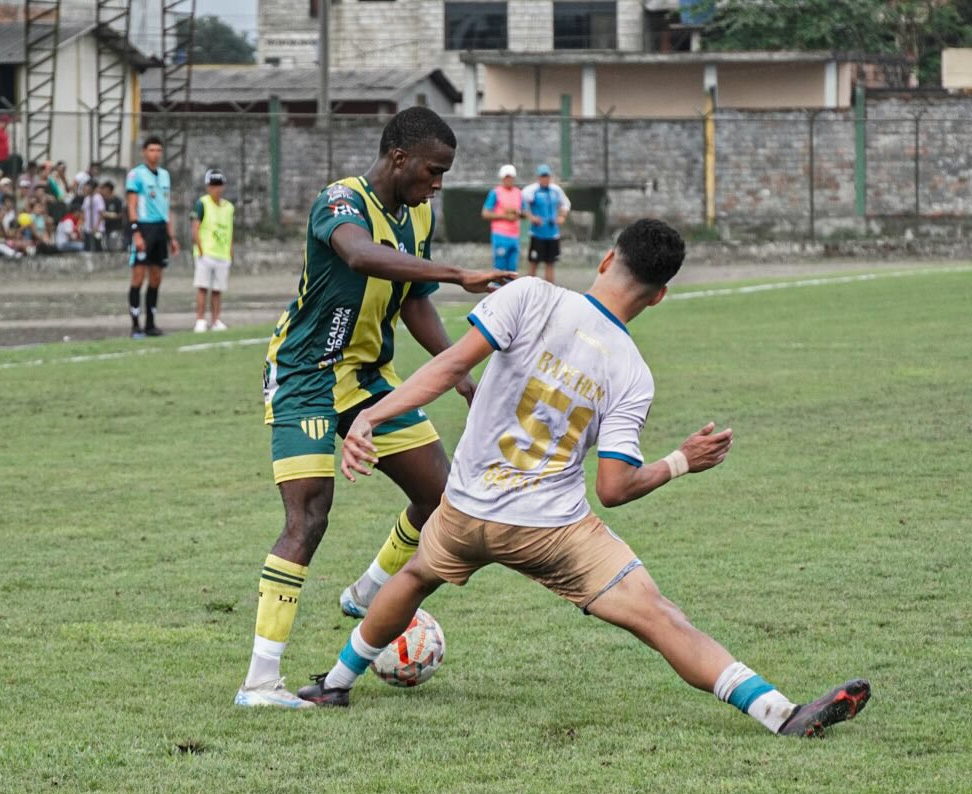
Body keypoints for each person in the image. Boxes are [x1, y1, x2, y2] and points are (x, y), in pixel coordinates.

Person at [297, 219, 872, 738]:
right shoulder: (632, 372)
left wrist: (371, 415)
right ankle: (778, 712)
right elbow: (614, 489)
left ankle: (335, 684)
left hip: (467, 510)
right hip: (552, 531)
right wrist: (680, 461)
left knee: (417, 574)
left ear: (605, 259)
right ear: (660, 296)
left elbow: (451, 367)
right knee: (659, 615)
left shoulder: (528, 295)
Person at [234, 106, 513, 709]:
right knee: (309, 517)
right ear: (398, 158)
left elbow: (414, 302)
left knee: (443, 498)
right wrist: (460, 272)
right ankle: (260, 681)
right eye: (433, 171)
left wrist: (458, 369)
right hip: (305, 374)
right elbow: (361, 257)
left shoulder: (416, 214)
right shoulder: (340, 202)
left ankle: (369, 591)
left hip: (369, 379)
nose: (437, 183)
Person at [125, 135, 177, 338]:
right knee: (138, 276)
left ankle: (150, 323)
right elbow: (131, 205)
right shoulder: (136, 175)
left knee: (156, 277)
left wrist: (171, 236)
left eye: (158, 150)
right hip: (144, 228)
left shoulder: (165, 175)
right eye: (151, 150)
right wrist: (136, 232)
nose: (155, 154)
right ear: (144, 152)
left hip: (160, 229)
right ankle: (135, 325)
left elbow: (166, 207)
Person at [191, 167, 235, 332]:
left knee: (218, 290)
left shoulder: (229, 207)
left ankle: (216, 320)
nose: (216, 188)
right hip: (206, 253)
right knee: (202, 287)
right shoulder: (202, 203)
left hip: (222, 253)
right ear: (208, 187)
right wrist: (200, 248)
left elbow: (230, 229)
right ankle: (200, 320)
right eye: (213, 185)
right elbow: (195, 227)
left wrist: (230, 249)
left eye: (219, 185)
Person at [522, 164, 571, 284]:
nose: (545, 179)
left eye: (547, 176)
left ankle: (549, 292)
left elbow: (565, 204)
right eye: (542, 176)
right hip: (537, 233)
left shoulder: (556, 190)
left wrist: (561, 217)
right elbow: (522, 205)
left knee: (550, 263)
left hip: (552, 233)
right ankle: (529, 290)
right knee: (534, 262)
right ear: (538, 177)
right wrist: (531, 217)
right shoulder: (531, 190)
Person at [481, 163, 523, 272]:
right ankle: (498, 288)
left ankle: (512, 289)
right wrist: (505, 216)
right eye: (506, 177)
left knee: (512, 269)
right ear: (502, 178)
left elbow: (524, 212)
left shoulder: (518, 193)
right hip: (500, 234)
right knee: (499, 267)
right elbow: (485, 213)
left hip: (514, 235)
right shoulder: (495, 193)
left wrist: (517, 213)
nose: (509, 180)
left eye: (511, 177)